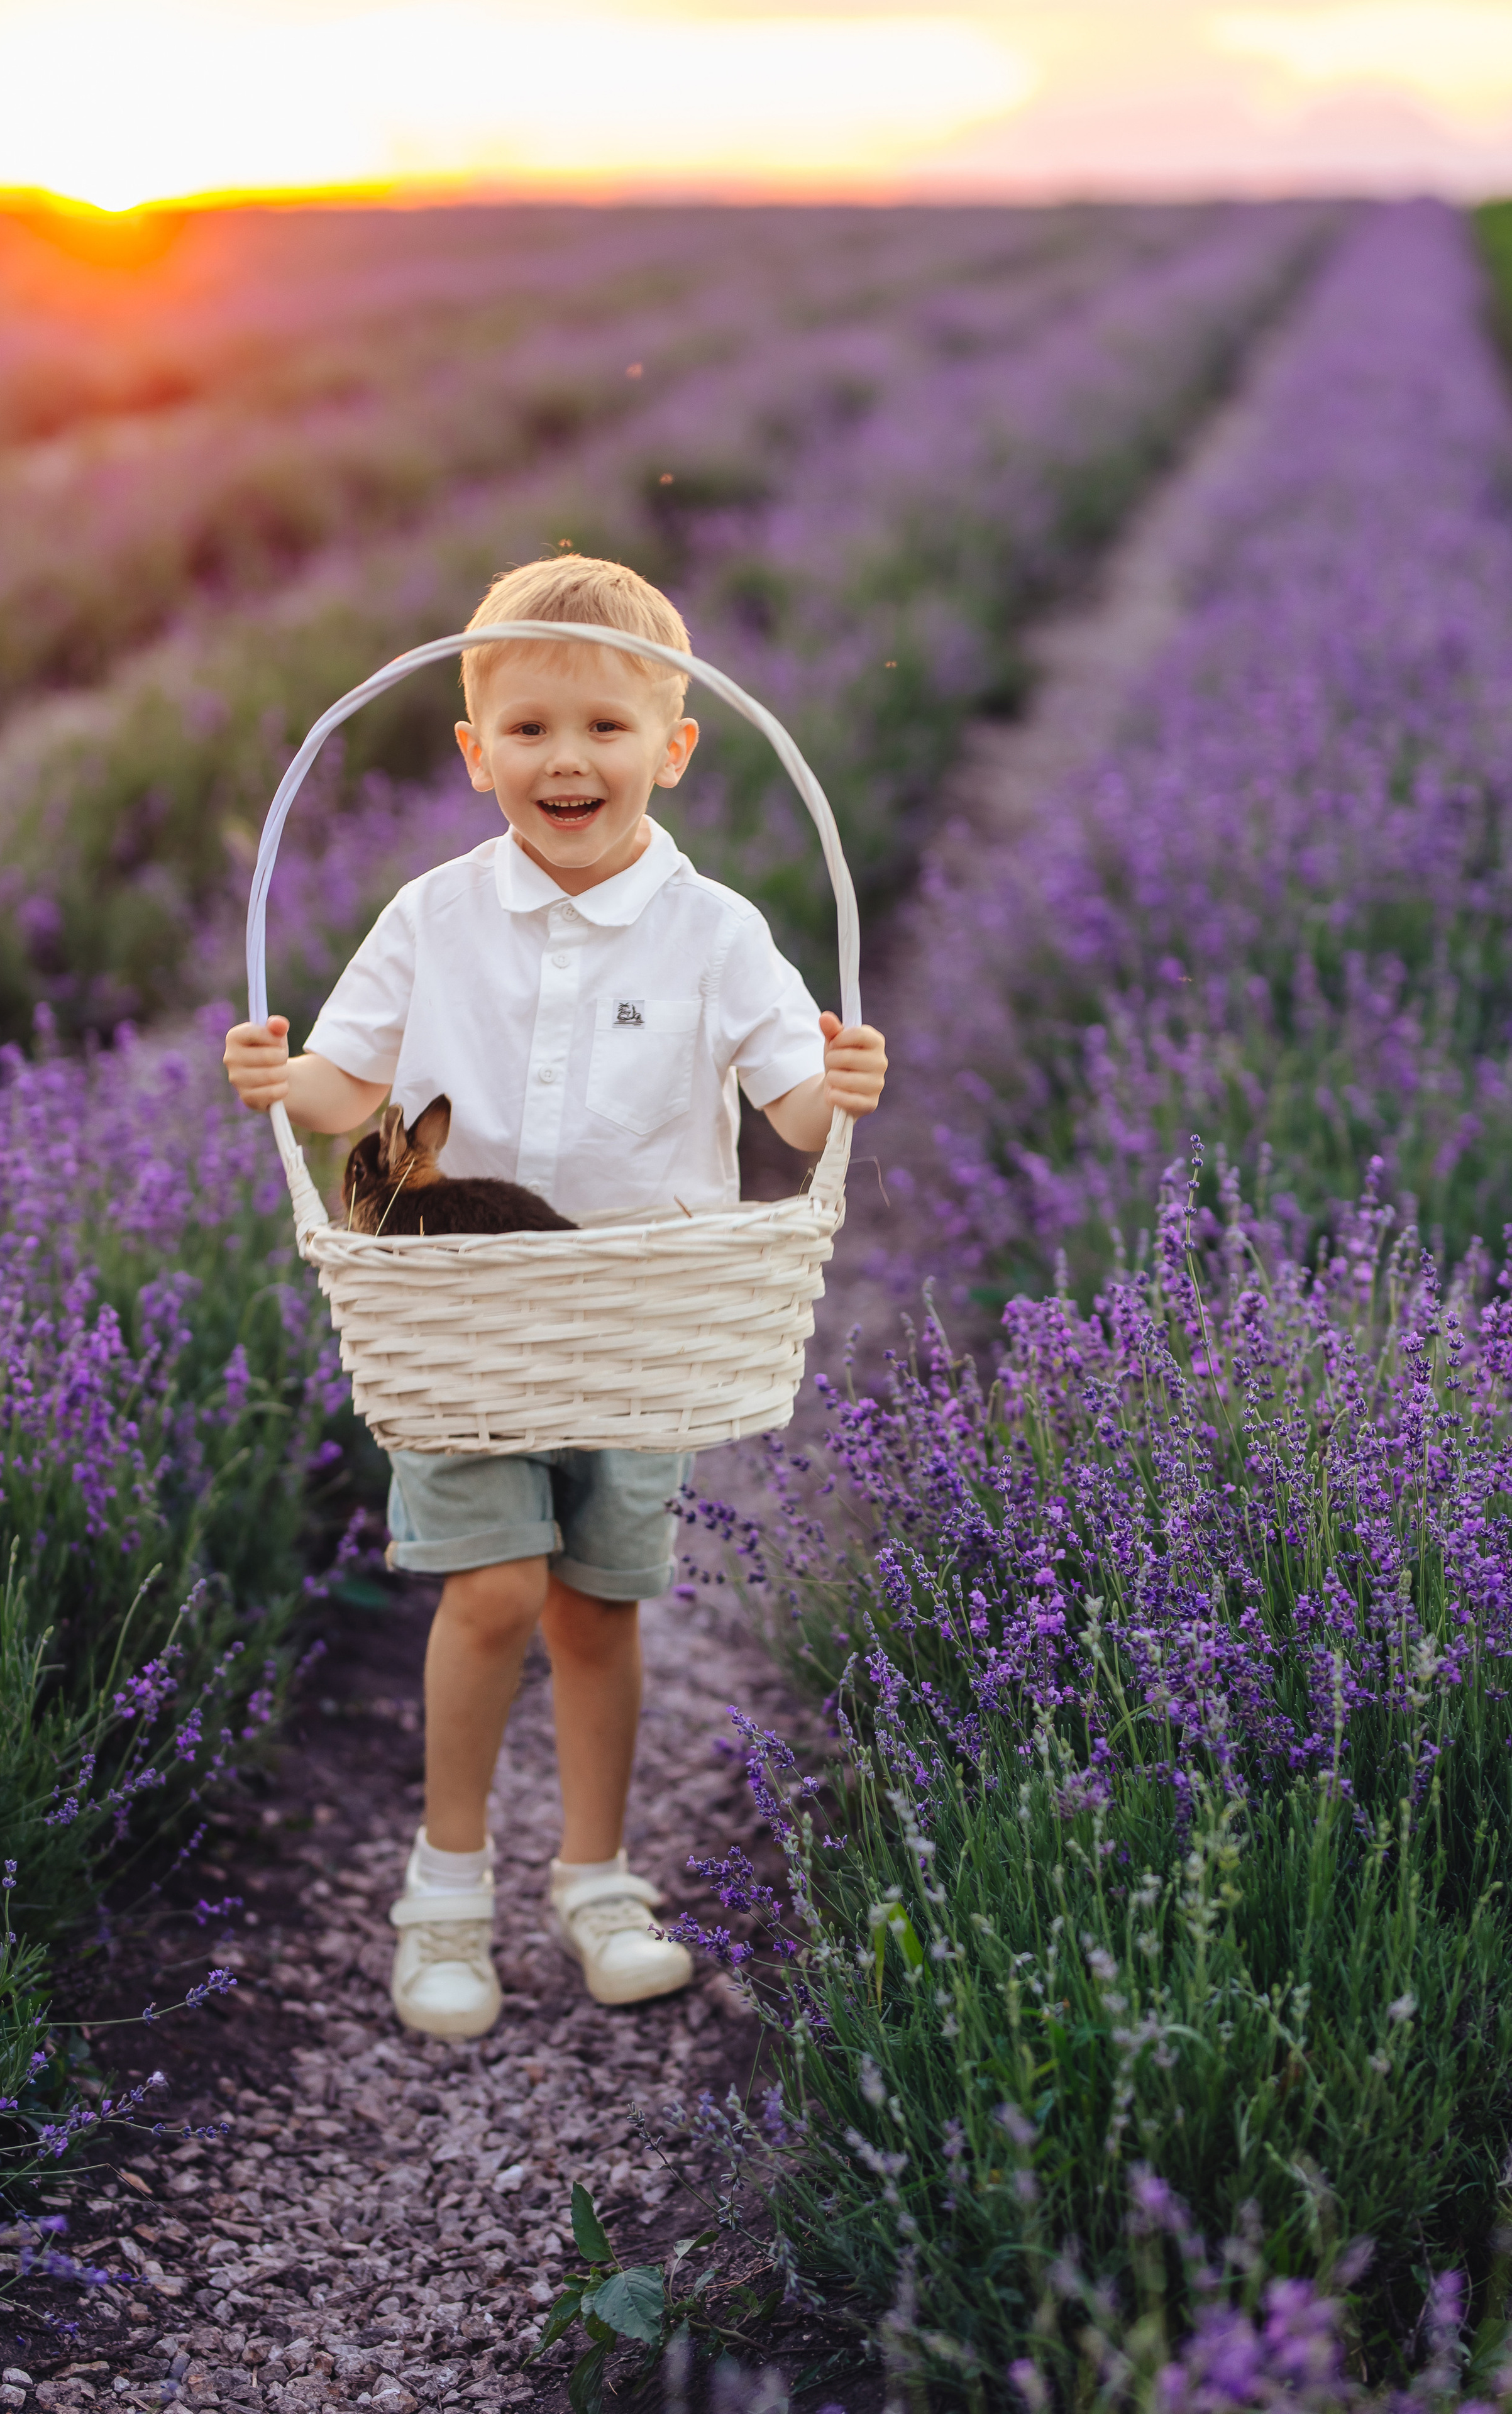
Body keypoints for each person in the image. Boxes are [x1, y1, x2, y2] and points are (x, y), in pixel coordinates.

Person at [222, 554, 887, 2039]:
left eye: (602, 726)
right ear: (473, 755)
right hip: (459, 1324)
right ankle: (445, 1889)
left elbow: (788, 1110)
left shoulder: (713, 931)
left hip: (640, 1324)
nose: (565, 759)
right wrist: (288, 1083)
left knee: (596, 1608)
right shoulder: (432, 916)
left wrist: (834, 1088)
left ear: (673, 744)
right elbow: (350, 1092)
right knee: (492, 1589)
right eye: (526, 730)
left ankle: (595, 1877)